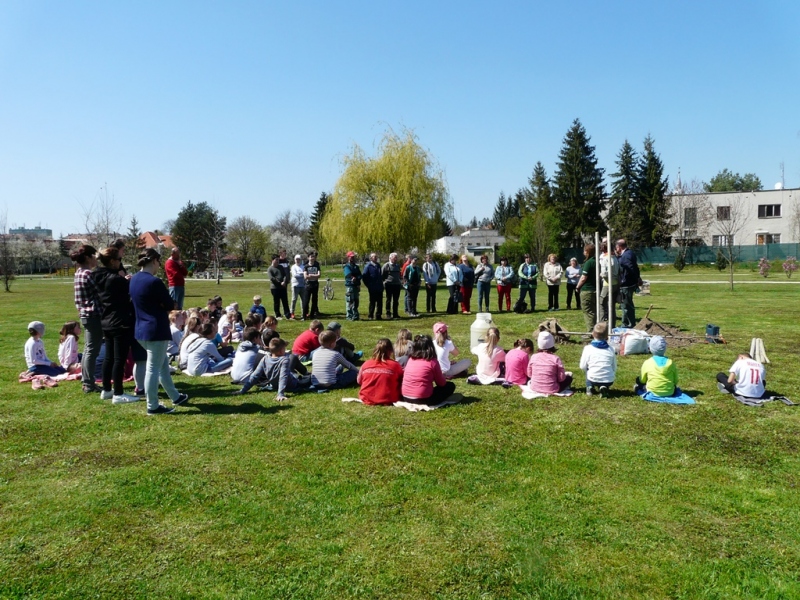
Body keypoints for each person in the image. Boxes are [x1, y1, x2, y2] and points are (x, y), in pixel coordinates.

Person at [129, 248, 189, 414]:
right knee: (153, 368)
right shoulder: (154, 281)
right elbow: (170, 304)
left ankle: (175, 396)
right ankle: (152, 406)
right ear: (154, 261)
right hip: (155, 329)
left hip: (141, 329)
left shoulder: (133, 279)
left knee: (161, 365)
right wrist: (164, 305)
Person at [94, 247, 138, 404]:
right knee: (120, 359)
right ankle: (118, 393)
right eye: (119, 260)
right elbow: (129, 294)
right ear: (112, 261)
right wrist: (128, 281)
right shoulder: (116, 280)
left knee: (109, 357)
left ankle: (107, 390)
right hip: (120, 322)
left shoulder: (98, 275)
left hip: (106, 320)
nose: (121, 263)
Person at [70, 244, 102, 393]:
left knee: (88, 348)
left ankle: (87, 380)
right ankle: (88, 384)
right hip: (93, 315)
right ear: (88, 257)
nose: (96, 258)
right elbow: (101, 292)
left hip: (85, 315)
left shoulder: (79, 272)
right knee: (92, 350)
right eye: (94, 256)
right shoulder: (88, 274)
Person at [235, 338, 312, 400]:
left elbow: (255, 375)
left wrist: (243, 390)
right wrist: (280, 394)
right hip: (293, 385)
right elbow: (283, 377)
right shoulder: (284, 360)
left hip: (275, 385)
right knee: (310, 378)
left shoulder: (265, 359)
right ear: (281, 350)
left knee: (293, 373)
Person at [402, 335, 457, 405]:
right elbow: (441, 383)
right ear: (431, 347)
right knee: (450, 386)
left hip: (406, 397)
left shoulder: (410, 360)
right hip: (423, 399)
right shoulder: (432, 362)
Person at [357, 338, 404, 405]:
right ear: (391, 351)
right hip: (389, 398)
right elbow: (402, 381)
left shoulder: (366, 364)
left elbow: (359, 381)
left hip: (366, 397)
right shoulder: (395, 365)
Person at [579, 323, 617, 397]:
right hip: (609, 379)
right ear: (607, 336)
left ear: (593, 334)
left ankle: (589, 387)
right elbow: (614, 366)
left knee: (588, 367)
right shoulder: (611, 349)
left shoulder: (587, 348)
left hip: (592, 378)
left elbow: (582, 366)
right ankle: (604, 387)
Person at [615, 239, 641, 328]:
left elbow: (631, 268)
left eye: (616, 247)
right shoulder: (630, 253)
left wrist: (625, 280)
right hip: (629, 283)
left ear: (619, 247)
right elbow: (636, 267)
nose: (616, 249)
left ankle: (628, 324)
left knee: (626, 305)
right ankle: (626, 323)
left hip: (627, 284)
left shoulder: (626, 255)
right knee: (626, 304)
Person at [575, 243, 598, 332]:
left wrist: (578, 286)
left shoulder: (589, 262)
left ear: (587, 252)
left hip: (587, 290)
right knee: (594, 311)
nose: (583, 252)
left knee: (588, 312)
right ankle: (595, 330)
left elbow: (584, 277)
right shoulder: (596, 261)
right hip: (595, 289)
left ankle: (591, 332)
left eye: (584, 250)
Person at [599, 240, 619, 328]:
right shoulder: (615, 257)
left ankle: (602, 326)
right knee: (612, 305)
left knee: (601, 304)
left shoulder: (605, 258)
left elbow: (604, 273)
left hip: (607, 284)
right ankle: (612, 325)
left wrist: (601, 275)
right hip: (615, 283)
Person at [362, 253, 384, 320]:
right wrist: (369, 285)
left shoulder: (378, 265)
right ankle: (370, 315)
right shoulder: (368, 266)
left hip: (379, 287)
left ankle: (378, 315)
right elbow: (364, 277)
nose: (375, 258)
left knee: (380, 302)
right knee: (372, 302)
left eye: (376, 256)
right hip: (372, 287)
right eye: (374, 257)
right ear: (371, 258)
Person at [382, 253, 402, 320]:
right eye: (394, 258)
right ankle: (388, 313)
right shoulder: (386, 265)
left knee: (396, 300)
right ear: (390, 258)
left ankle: (395, 313)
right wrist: (384, 282)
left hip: (397, 285)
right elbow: (382, 275)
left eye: (396, 258)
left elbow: (399, 275)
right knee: (388, 300)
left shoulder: (397, 266)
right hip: (389, 285)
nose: (396, 259)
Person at [267, 254, 288, 319]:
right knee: (277, 302)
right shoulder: (270, 269)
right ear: (272, 260)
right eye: (276, 260)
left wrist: (284, 281)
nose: (277, 261)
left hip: (283, 287)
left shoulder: (281, 267)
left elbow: (284, 275)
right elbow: (272, 278)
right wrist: (280, 283)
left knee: (285, 301)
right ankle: (278, 315)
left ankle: (287, 314)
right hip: (275, 288)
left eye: (278, 260)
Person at [343, 251, 362, 321]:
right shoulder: (347, 266)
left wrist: (357, 278)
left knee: (356, 301)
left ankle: (355, 315)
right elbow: (348, 274)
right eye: (351, 257)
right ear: (348, 257)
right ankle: (349, 316)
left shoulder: (356, 266)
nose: (353, 258)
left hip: (356, 286)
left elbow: (360, 275)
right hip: (350, 286)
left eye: (353, 257)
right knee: (350, 301)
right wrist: (354, 277)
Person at [302, 252, 322, 319]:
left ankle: (312, 315)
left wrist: (311, 275)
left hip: (315, 285)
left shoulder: (316, 266)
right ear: (308, 258)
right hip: (308, 285)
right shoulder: (306, 266)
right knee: (306, 301)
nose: (312, 258)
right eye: (311, 257)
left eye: (313, 257)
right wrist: (313, 276)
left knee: (314, 300)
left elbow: (319, 275)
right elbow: (305, 276)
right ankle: (304, 315)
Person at [277, 249, 292, 319]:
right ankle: (278, 314)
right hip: (279, 282)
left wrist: (288, 279)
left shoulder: (287, 261)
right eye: (283, 253)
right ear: (280, 253)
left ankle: (287, 314)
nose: (285, 254)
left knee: (285, 299)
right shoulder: (278, 261)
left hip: (285, 282)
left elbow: (288, 271)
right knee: (277, 299)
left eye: (285, 253)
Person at [290, 254, 305, 319]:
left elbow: (305, 274)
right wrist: (302, 274)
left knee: (303, 300)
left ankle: (304, 312)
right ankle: (292, 313)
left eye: (299, 259)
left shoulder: (303, 266)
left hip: (302, 285)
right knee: (294, 299)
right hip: (295, 285)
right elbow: (295, 275)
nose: (298, 260)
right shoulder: (293, 267)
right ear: (294, 260)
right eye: (296, 259)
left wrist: (300, 274)